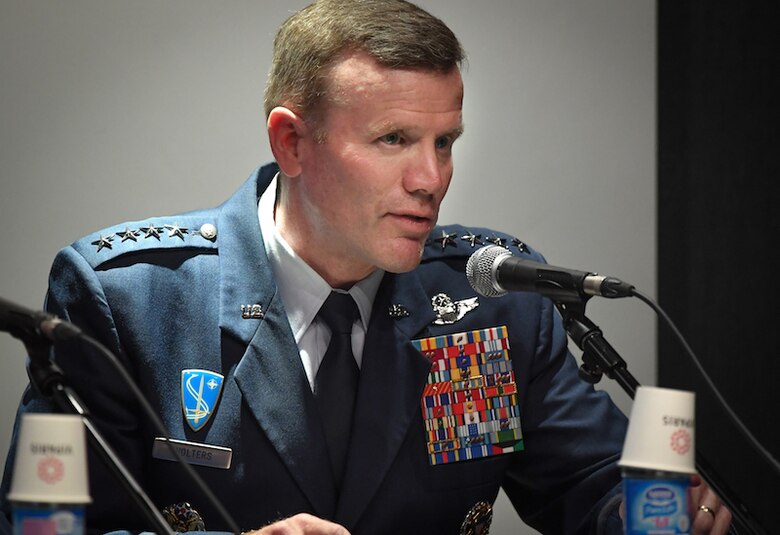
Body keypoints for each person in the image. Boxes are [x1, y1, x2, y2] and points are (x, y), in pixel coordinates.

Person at [1, 1, 732, 534]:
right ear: (292, 143)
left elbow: (591, 485)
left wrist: (651, 514)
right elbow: (46, 526)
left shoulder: (492, 298)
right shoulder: (125, 298)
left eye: (445, 142)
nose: (431, 178)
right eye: (393, 139)